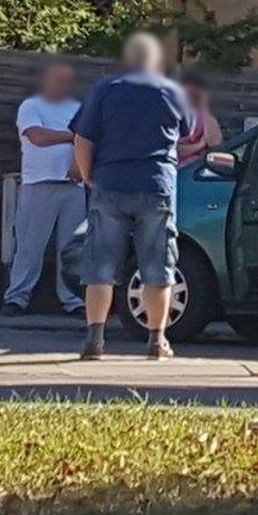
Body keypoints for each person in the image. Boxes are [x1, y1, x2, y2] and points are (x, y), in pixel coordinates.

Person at [73, 33, 195, 361]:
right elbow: (186, 135)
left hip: (110, 185)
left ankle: (94, 341)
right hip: (156, 186)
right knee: (158, 265)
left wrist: (88, 176)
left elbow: (82, 140)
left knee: (100, 265)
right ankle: (157, 341)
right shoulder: (174, 92)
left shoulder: (105, 89)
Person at [1, 61, 86, 317]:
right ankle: (17, 297)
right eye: (59, 78)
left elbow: (87, 140)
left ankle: (73, 299)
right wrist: (71, 136)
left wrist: (78, 163)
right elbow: (38, 137)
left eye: (67, 80)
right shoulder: (32, 106)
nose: (64, 84)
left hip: (73, 185)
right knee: (30, 245)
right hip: (39, 183)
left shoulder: (78, 108)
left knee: (71, 248)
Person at [177, 72, 223, 167]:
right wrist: (200, 145)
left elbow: (215, 145)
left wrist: (203, 106)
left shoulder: (204, 115)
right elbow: (172, 151)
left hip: (200, 168)